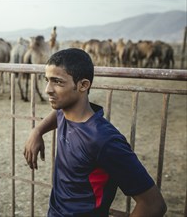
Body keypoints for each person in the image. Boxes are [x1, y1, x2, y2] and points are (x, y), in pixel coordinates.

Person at [23, 48, 167, 217]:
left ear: (83, 85)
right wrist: (37, 131)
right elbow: (57, 114)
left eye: (57, 82)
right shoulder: (65, 111)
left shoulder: (103, 140)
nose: (47, 89)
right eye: (46, 80)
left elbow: (153, 204)